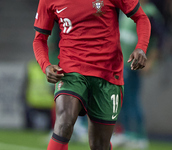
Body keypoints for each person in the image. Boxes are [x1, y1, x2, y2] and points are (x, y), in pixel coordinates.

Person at [33, 0, 151, 150]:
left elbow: (141, 18)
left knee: (99, 144)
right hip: (71, 71)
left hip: (107, 74)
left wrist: (141, 47)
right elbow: (39, 39)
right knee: (64, 122)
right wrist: (46, 65)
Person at [111, 0, 163, 149]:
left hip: (133, 63)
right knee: (123, 99)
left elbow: (160, 39)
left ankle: (140, 137)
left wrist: (151, 61)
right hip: (121, 62)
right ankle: (126, 134)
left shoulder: (150, 13)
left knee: (132, 99)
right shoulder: (126, 6)